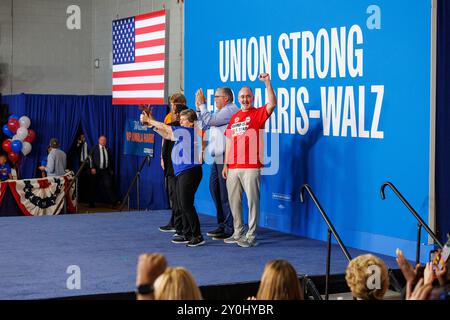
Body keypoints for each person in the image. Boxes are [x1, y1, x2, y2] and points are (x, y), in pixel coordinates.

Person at [222, 73, 277, 248]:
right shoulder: (235, 117)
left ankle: (251, 235)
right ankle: (238, 231)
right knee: (234, 202)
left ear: (253, 98)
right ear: (238, 99)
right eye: (242, 97)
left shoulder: (258, 113)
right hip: (233, 167)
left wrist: (267, 83)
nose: (245, 99)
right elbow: (229, 141)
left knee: (252, 202)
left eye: (248, 96)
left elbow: (272, 104)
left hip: (251, 166)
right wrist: (226, 164)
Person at [141, 108, 204, 247]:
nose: (180, 122)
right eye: (180, 120)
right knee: (183, 204)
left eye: (183, 120)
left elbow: (166, 127)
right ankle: (187, 234)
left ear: (191, 123)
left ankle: (197, 235)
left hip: (189, 172)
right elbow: (167, 135)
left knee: (186, 204)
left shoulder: (188, 132)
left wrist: (150, 120)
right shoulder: (184, 132)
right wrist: (151, 126)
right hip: (184, 172)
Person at [195, 87, 240, 240]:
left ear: (226, 98)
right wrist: (199, 108)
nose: (214, 99)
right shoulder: (221, 111)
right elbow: (203, 125)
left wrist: (202, 105)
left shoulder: (231, 109)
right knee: (214, 189)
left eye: (217, 97)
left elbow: (210, 121)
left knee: (224, 193)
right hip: (217, 157)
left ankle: (230, 227)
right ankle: (222, 224)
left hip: (225, 156)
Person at [160, 104, 189, 237]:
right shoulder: (171, 125)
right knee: (174, 197)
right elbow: (162, 131)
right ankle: (176, 225)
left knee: (180, 199)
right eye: (173, 111)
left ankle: (180, 227)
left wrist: (150, 121)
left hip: (180, 169)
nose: (174, 114)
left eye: (176, 112)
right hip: (170, 168)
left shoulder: (184, 129)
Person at [89, 135, 118, 208]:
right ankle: (91, 202)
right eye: (102, 140)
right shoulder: (94, 148)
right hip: (96, 170)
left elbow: (110, 160)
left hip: (105, 170)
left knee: (108, 185)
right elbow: (90, 158)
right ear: (99, 140)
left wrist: (110, 170)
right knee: (93, 186)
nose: (103, 141)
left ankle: (114, 202)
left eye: (104, 140)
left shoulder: (108, 149)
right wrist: (92, 167)